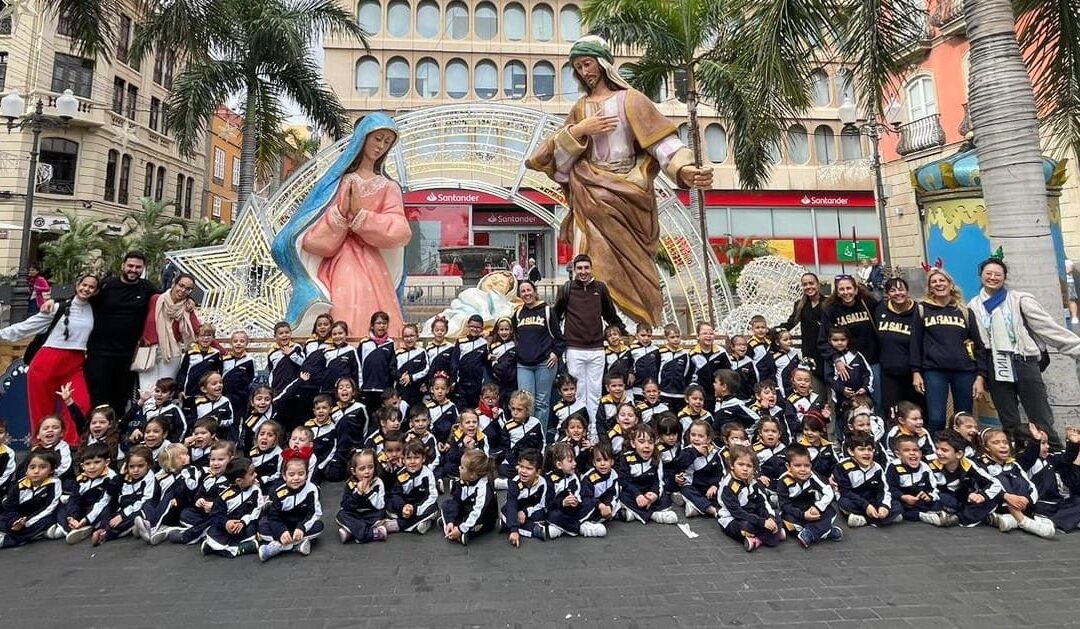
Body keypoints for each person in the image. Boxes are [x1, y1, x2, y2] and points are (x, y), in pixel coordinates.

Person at [526, 35, 712, 326]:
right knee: (590, 258)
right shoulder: (580, 108)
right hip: (590, 192)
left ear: (602, 63)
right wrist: (579, 131)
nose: (584, 72)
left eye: (587, 63)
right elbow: (559, 162)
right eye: (578, 67)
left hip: (630, 195)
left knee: (640, 269)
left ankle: (643, 325)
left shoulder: (632, 100)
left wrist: (684, 170)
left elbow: (662, 144)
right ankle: (595, 324)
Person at [272, 113, 411, 337]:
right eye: (377, 138)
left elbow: (401, 231)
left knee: (378, 313)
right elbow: (313, 240)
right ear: (363, 138)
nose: (380, 146)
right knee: (346, 303)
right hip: (340, 261)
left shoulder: (388, 187)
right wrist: (341, 213)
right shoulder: (340, 182)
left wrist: (361, 217)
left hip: (373, 264)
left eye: (387, 142)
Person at [968, 257, 1080, 450]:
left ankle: (1055, 457)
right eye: (989, 274)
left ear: (1004, 277)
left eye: (998, 274)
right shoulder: (974, 306)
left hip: (1024, 362)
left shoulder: (1019, 299)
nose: (993, 278)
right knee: (1009, 421)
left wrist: (1075, 348)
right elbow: (979, 343)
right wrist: (981, 374)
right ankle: (1020, 460)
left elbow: (1047, 328)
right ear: (981, 275)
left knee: (1040, 417)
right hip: (997, 365)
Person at [0, 273, 99, 445]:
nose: (86, 289)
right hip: (46, 363)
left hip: (74, 364)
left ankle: (72, 449)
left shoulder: (95, 309)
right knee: (43, 413)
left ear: (96, 291)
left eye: (91, 287)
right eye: (84, 284)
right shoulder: (56, 307)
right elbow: (27, 327)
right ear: (77, 285)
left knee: (81, 404)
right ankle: (42, 451)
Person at [910, 267, 987, 433]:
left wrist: (980, 376)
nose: (938, 284)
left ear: (950, 284)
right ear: (930, 288)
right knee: (936, 417)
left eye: (942, 280)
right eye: (934, 282)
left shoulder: (965, 312)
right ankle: (934, 452)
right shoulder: (922, 309)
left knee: (964, 417)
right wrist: (916, 372)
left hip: (964, 371)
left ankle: (963, 452)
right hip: (934, 371)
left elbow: (979, 346)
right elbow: (915, 343)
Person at [554, 255, 626, 420]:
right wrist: (557, 341)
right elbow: (555, 316)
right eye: (579, 268)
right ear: (574, 270)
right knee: (577, 392)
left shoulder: (600, 288)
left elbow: (610, 315)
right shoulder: (567, 289)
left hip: (596, 349)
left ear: (591, 269)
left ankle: (594, 431)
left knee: (594, 392)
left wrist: (623, 330)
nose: (583, 272)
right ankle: (578, 428)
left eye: (586, 268)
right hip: (574, 348)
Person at [86, 252, 158, 415]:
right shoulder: (106, 286)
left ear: (143, 269)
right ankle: (93, 436)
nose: (133, 270)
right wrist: (53, 303)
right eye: (130, 266)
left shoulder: (147, 288)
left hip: (127, 356)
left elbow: (167, 299)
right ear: (123, 266)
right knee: (97, 399)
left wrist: (188, 300)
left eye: (138, 267)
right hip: (100, 353)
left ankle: (114, 436)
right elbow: (82, 297)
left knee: (120, 399)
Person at [512, 280, 564, 431]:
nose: (527, 293)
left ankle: (539, 435)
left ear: (534, 291)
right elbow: (516, 337)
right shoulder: (518, 314)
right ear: (519, 295)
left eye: (529, 290)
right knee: (526, 403)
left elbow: (559, 338)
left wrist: (556, 353)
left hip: (545, 363)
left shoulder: (547, 311)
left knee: (542, 402)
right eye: (523, 291)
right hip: (524, 364)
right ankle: (527, 434)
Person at [136, 273, 201, 394]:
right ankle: (149, 413)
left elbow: (200, 331)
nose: (183, 290)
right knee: (147, 392)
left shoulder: (187, 308)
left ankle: (163, 414)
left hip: (171, 354)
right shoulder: (155, 300)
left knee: (165, 392)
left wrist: (222, 350)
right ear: (173, 284)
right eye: (181, 285)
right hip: (149, 352)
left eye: (188, 289)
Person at [258, 448, 325, 560]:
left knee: (319, 526)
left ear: (307, 475)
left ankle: (279, 546)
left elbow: (314, 513)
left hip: (301, 525)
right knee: (262, 529)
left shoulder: (311, 489)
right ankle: (296, 545)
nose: (296, 478)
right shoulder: (278, 492)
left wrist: (302, 527)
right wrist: (281, 532)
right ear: (284, 476)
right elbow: (274, 517)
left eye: (301, 474)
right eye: (291, 474)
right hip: (284, 524)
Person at [716, 445, 785, 552]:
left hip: (751, 512)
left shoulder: (753, 480)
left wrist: (769, 517)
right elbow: (736, 512)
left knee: (776, 515)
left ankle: (759, 538)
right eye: (740, 464)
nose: (745, 469)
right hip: (732, 517)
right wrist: (762, 522)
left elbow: (762, 501)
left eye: (749, 466)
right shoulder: (728, 486)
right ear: (732, 465)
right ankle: (771, 535)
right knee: (746, 526)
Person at [875, 277, 925, 414]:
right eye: (893, 290)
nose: (898, 293)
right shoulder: (880, 309)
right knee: (892, 411)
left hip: (914, 373)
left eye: (901, 289)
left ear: (908, 291)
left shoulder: (919, 311)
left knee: (917, 411)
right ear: (887, 294)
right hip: (889, 372)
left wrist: (918, 371)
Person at [780, 273, 825, 392]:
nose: (808, 287)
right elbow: (790, 323)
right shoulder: (800, 305)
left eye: (811, 283)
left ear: (818, 285)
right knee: (816, 392)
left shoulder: (828, 303)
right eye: (805, 284)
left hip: (826, 354)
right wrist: (773, 330)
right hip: (810, 355)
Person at [336, 449, 390, 544]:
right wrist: (358, 493)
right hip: (355, 514)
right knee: (341, 515)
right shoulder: (351, 484)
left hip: (371, 514)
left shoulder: (378, 482)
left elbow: (380, 505)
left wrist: (369, 492)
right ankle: (373, 534)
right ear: (354, 471)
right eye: (362, 469)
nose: (367, 472)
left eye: (370, 467)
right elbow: (346, 507)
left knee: (382, 513)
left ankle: (352, 532)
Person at [1066, 258, 1080, 325]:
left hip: (1069, 283)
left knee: (1071, 300)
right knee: (1065, 301)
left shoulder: (1068, 261)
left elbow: (1069, 269)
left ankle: (1074, 317)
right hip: (1061, 282)